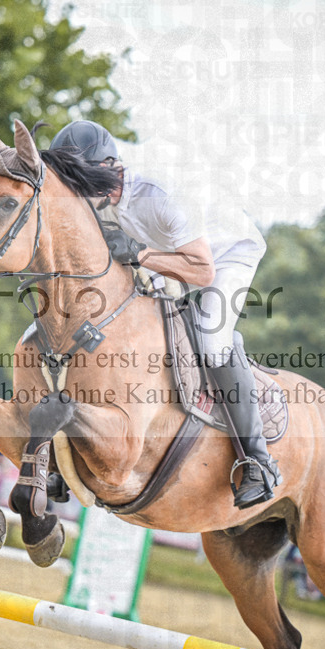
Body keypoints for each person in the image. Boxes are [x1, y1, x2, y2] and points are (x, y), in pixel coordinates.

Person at [49, 120, 278, 509]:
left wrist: (138, 254)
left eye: (81, 184)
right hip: (170, 253)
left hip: (225, 256)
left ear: (108, 168)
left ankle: (258, 461)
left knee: (211, 340)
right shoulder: (105, 200)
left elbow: (202, 271)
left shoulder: (159, 194)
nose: (79, 195)